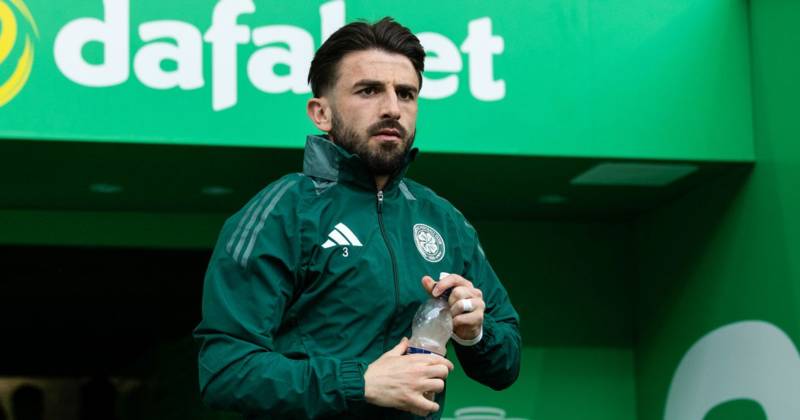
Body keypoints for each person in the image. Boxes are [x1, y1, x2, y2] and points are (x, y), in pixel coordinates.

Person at [194, 17, 520, 419]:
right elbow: (225, 371)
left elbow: (506, 366)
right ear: (321, 113)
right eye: (369, 91)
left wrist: (475, 333)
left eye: (406, 94)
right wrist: (359, 383)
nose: (392, 109)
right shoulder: (283, 210)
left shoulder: (443, 219)